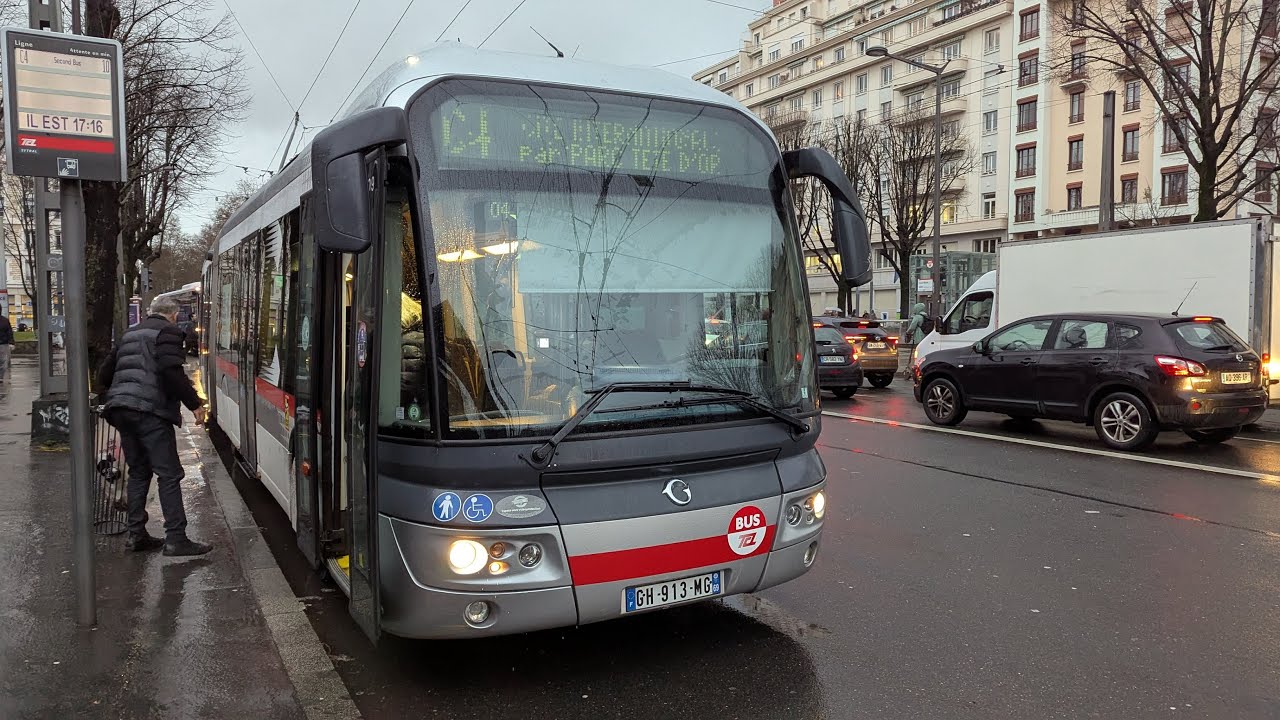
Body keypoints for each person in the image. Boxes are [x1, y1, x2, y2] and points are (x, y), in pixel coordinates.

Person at [96, 296, 211, 555]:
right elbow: (172, 372)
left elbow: (104, 373)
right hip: (149, 412)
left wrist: (115, 398)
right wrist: (195, 404)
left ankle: (136, 535)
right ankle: (176, 539)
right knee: (169, 474)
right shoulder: (169, 332)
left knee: (139, 472)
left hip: (121, 410)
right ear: (172, 315)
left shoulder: (131, 333)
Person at [0, 312, 13, 382]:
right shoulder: (5, 320)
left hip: (3, 343)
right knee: (3, 361)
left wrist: (11, 342)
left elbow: (9, 332)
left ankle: (0, 377)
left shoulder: (5, 321)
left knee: (3, 361)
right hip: (3, 343)